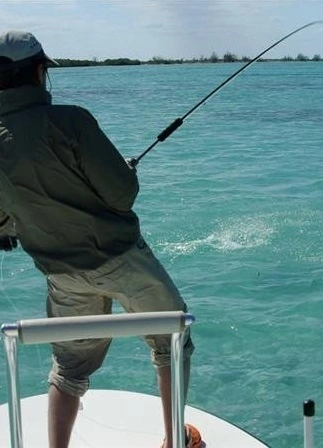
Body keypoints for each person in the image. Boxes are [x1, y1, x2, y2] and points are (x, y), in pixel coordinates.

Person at [0, 31, 203, 448]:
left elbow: (4, 223)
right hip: (121, 258)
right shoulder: (72, 121)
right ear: (40, 72)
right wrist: (124, 169)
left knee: (70, 367)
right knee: (172, 339)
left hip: (61, 274)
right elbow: (121, 193)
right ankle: (173, 440)